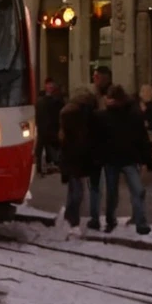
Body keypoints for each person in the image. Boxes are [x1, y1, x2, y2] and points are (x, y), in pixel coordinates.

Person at [96, 85, 152, 235]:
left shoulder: (131, 115)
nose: (109, 102)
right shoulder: (105, 116)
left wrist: (146, 159)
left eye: (111, 99)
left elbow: (142, 138)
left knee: (135, 191)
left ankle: (139, 222)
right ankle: (112, 220)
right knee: (119, 192)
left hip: (125, 159)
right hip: (117, 159)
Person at [59, 88, 99, 235]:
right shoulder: (81, 117)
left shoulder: (71, 116)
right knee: (77, 192)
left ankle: (69, 219)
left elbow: (65, 143)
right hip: (76, 160)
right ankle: (71, 219)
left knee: (74, 191)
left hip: (73, 159)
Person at [35, 77, 64, 174]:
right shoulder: (41, 99)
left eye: (52, 84)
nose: (50, 86)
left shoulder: (57, 98)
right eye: (49, 84)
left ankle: (51, 163)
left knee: (50, 146)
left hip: (52, 126)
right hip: (43, 126)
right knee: (41, 147)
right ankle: (41, 166)